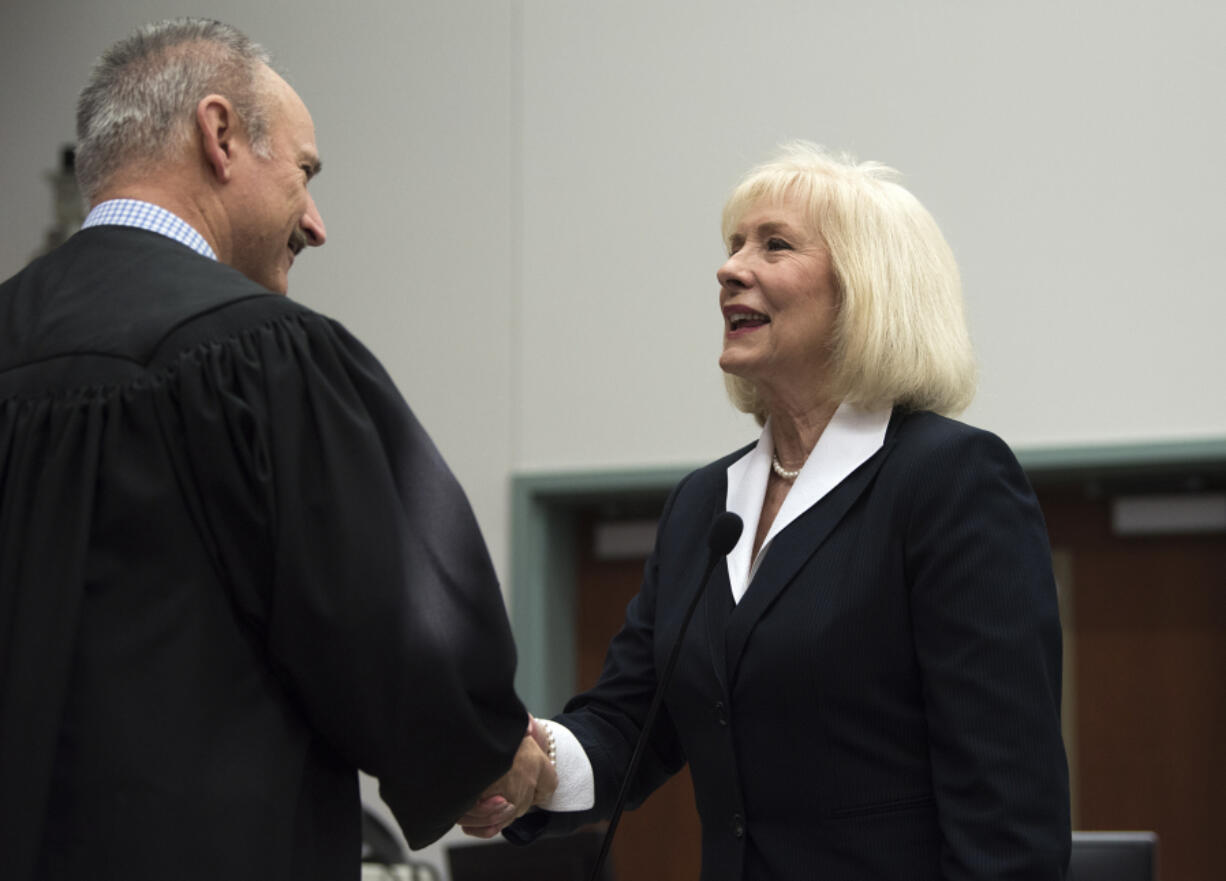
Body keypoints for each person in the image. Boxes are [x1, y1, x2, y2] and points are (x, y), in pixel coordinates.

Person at [0, 18, 553, 881]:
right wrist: (487, 751)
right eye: (304, 173)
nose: (316, 223)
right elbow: (394, 615)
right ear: (219, 136)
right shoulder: (259, 353)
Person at [466, 143, 1071, 879]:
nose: (729, 268)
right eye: (732, 245)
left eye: (774, 245)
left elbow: (1009, 806)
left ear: (863, 288)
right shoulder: (703, 505)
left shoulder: (948, 481)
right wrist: (534, 763)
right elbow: (632, 720)